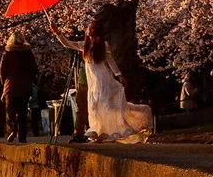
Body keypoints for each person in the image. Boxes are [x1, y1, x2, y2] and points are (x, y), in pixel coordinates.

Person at [47, 13, 153, 141]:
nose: (89, 30)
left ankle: (111, 128)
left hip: (102, 77)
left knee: (105, 102)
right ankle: (98, 129)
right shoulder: (84, 45)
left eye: (92, 28)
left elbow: (110, 61)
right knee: (94, 104)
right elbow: (67, 44)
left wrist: (119, 75)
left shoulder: (103, 45)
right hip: (92, 78)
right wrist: (57, 32)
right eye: (89, 28)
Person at [0, 32, 38, 142]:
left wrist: (4, 84)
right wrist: (32, 80)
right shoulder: (28, 53)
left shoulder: (7, 53)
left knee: (10, 111)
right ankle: (22, 136)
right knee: (23, 112)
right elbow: (34, 69)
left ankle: (12, 130)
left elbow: (2, 71)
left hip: (11, 86)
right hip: (25, 86)